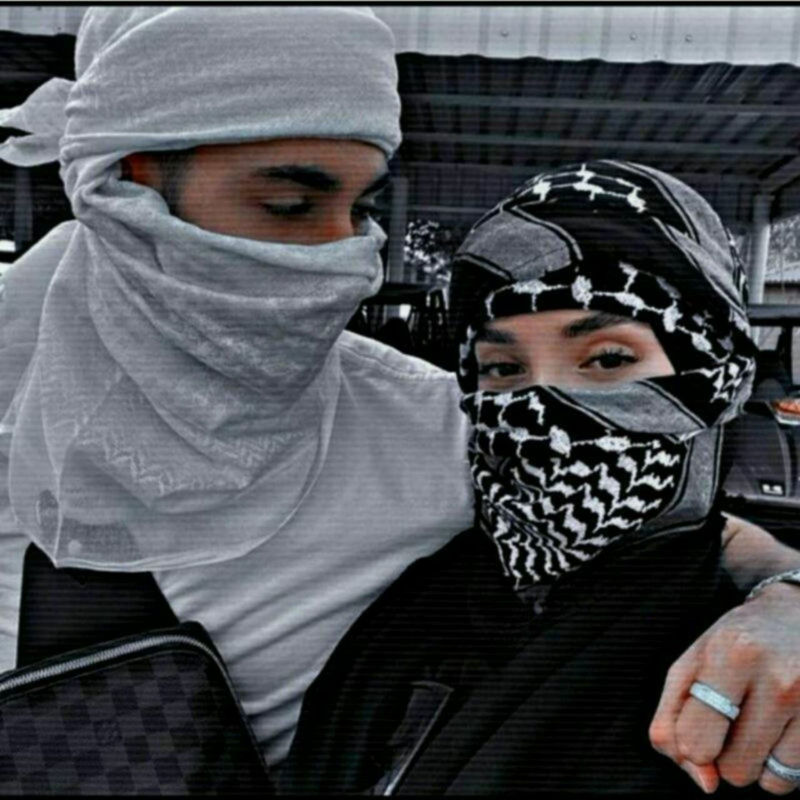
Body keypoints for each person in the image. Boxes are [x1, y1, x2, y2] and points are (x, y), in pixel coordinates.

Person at [0, 8, 797, 789]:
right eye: (290, 205)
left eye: (363, 210)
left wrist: (786, 606)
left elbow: (691, 538)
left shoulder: (437, 426)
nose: (351, 261)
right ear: (128, 186)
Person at [280, 161, 800, 795]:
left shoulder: (758, 688)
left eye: (608, 359)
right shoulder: (421, 599)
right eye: (502, 368)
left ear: (720, 377)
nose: (541, 413)